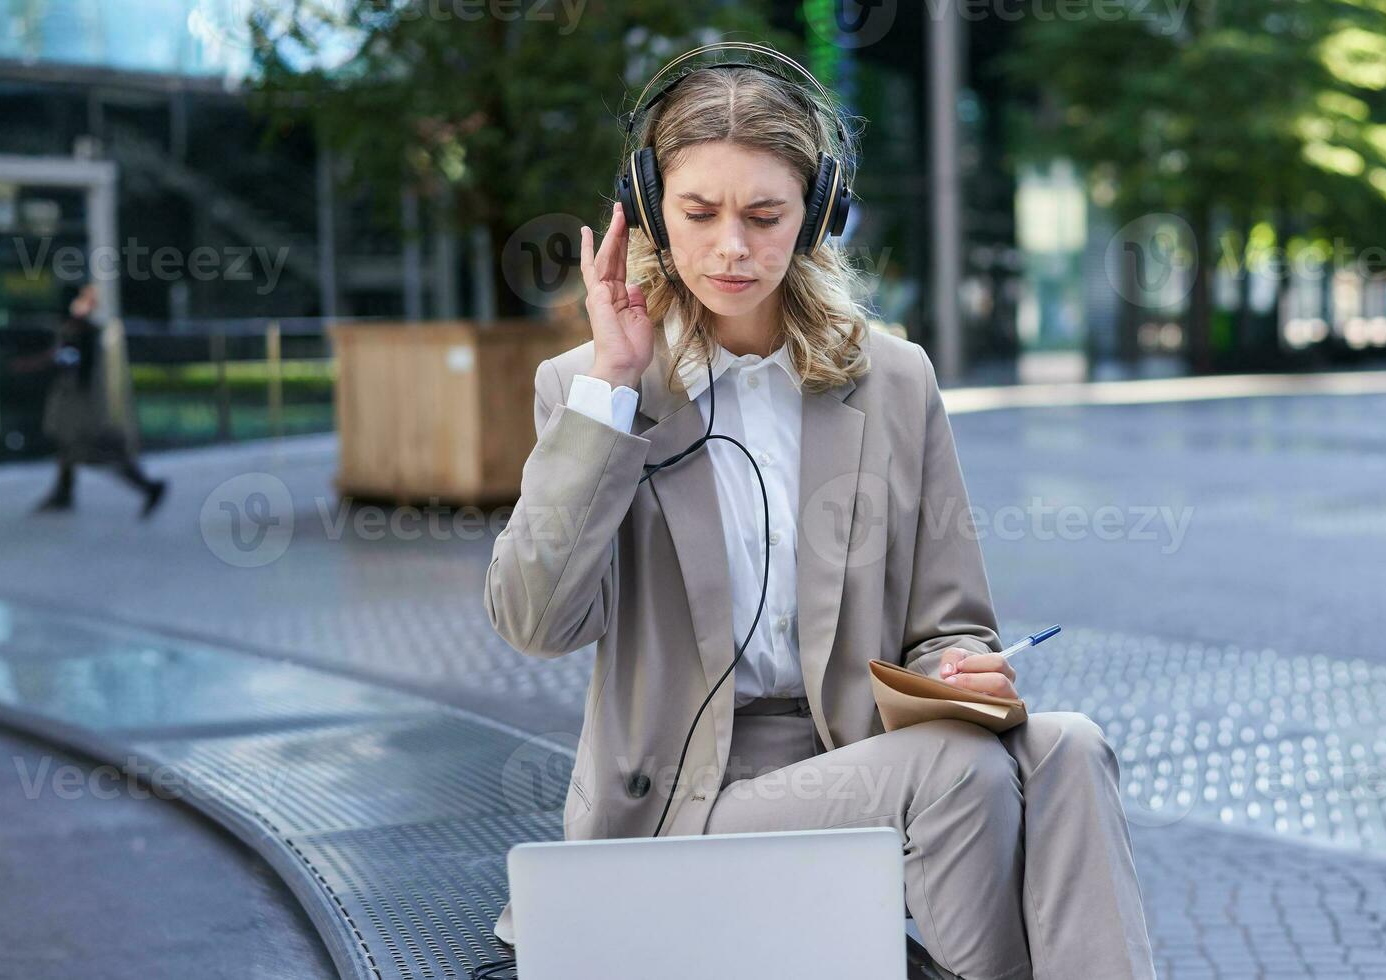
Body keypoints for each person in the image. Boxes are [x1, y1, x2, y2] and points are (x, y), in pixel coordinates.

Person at [481, 47, 1154, 980]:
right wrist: (614, 388)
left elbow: (945, 614)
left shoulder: (894, 379)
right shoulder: (590, 390)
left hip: (869, 749)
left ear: (816, 216)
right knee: (961, 769)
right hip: (692, 795)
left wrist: (952, 665)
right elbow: (534, 622)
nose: (731, 247)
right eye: (699, 213)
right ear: (646, 207)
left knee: (1070, 748)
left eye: (765, 216)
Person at [33, 283, 165, 517]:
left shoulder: (85, 332)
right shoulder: (76, 330)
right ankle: (63, 492)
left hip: (84, 409)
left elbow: (78, 368)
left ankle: (147, 487)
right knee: (68, 449)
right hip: (75, 407)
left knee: (97, 451)